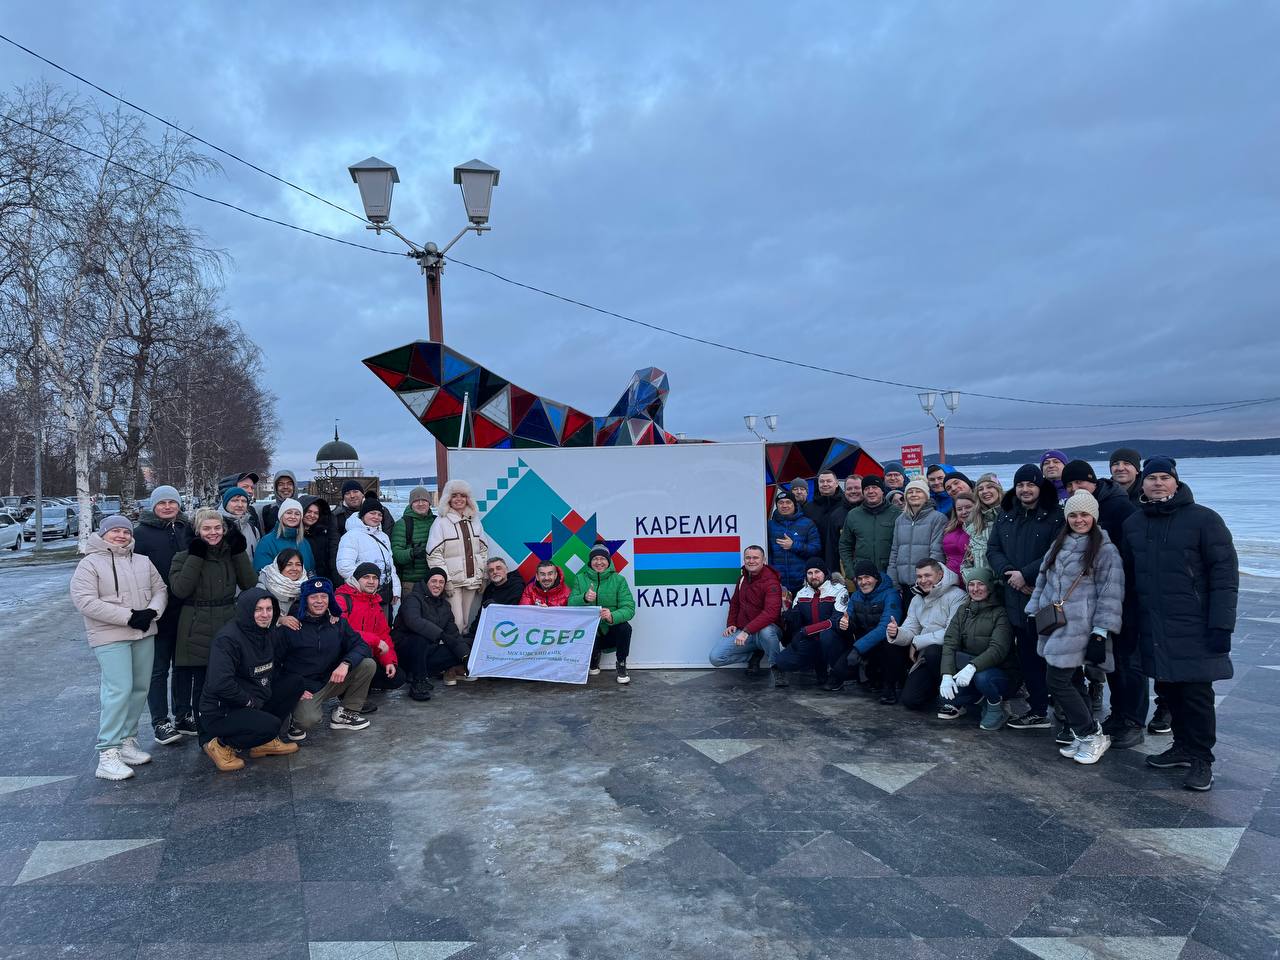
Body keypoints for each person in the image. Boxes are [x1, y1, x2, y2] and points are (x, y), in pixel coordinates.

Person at [1122, 457, 1238, 792]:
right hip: (1152, 623)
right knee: (1167, 689)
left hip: (1194, 624)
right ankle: (1182, 747)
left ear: (1175, 482)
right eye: (1152, 478)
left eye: (1164, 477)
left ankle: (1202, 759)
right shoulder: (1134, 523)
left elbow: (1225, 576)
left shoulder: (1204, 519)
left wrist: (1222, 626)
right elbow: (1129, 578)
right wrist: (1129, 623)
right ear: (1142, 484)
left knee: (1196, 694)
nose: (1158, 483)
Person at [1025, 491, 1125, 765]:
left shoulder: (1105, 550)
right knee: (1071, 680)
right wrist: (1033, 611)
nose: (1079, 520)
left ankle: (1089, 733)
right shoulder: (1059, 543)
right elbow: (1043, 580)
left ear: (1094, 516)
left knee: (1056, 681)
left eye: (1084, 515)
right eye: (1073, 515)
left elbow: (1110, 594)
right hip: (1055, 624)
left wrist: (1100, 632)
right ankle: (1085, 733)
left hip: (1082, 627)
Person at [71, 516, 168, 781]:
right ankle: (108, 751)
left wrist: (152, 612)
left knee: (139, 688)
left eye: (126, 531)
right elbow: (85, 601)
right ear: (103, 534)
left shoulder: (143, 561)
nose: (121, 536)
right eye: (115, 531)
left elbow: (160, 589)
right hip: (110, 635)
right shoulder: (90, 563)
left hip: (143, 632)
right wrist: (128, 617)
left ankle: (127, 740)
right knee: (119, 690)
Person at [1061, 459, 1139, 729]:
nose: (1075, 488)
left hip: (1118, 594)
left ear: (1093, 481)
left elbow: (1128, 554)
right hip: (1087, 601)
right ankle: (1116, 716)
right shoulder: (1075, 510)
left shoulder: (1118, 506)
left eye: (1080, 481)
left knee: (1125, 663)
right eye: (1069, 484)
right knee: (1108, 662)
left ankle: (1130, 720)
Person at [986, 464, 1064, 730]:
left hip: (1045, 597)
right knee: (1029, 657)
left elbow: (1056, 552)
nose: (1025, 490)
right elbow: (993, 549)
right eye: (1020, 485)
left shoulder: (1055, 516)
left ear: (1040, 487)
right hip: (1016, 597)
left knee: (1054, 656)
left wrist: (1027, 575)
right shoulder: (1006, 515)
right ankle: (1038, 709)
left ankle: (1067, 710)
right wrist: (1010, 574)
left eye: (1031, 484)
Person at [168, 508, 256, 738]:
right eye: (206, 528)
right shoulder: (183, 556)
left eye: (218, 528)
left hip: (228, 619)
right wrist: (196, 556)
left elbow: (249, 583)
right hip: (197, 623)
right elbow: (180, 589)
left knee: (230, 678)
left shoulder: (229, 555)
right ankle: (206, 734)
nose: (213, 532)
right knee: (203, 683)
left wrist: (239, 551)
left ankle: (229, 728)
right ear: (197, 531)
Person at [198, 587, 301, 772]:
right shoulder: (228, 639)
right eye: (258, 609)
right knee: (271, 725)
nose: (265, 615)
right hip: (223, 710)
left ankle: (263, 742)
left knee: (295, 682)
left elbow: (274, 667)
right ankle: (220, 745)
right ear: (246, 610)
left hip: (254, 697)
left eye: (269, 609)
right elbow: (219, 683)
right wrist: (248, 701)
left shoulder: (267, 632)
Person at [277, 577, 376, 736]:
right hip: (304, 687)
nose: (319, 601)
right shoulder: (290, 627)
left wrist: (346, 664)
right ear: (305, 600)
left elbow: (361, 645)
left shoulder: (337, 622)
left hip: (330, 680)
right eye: (313, 597)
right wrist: (291, 688)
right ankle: (293, 719)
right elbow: (274, 663)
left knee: (367, 664)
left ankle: (345, 714)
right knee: (307, 721)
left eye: (324, 596)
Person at [132, 485, 191, 746]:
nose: (167, 507)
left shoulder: (187, 529)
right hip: (157, 611)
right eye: (162, 503)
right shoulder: (141, 535)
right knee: (158, 669)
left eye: (172, 502)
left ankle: (183, 714)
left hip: (186, 609)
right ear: (153, 506)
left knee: (183, 666)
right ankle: (160, 721)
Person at [937, 568, 1020, 730]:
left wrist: (972, 666)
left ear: (989, 586)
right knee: (946, 698)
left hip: (999, 673)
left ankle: (996, 706)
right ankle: (980, 700)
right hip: (967, 670)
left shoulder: (1000, 613)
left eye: (981, 584)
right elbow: (950, 642)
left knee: (983, 678)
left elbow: (998, 649)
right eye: (971, 584)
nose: (975, 589)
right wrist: (947, 674)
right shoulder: (963, 610)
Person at [893, 560, 967, 713]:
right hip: (926, 657)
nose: (922, 580)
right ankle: (935, 688)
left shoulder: (958, 596)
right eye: (919, 576)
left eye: (927, 575)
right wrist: (896, 633)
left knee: (933, 651)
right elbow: (911, 628)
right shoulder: (917, 598)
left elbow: (952, 633)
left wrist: (917, 642)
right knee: (910, 700)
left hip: (952, 654)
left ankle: (957, 698)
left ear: (940, 574)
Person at [824, 560, 902, 700]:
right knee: (840, 670)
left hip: (885, 642)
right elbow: (849, 618)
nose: (863, 582)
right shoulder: (856, 596)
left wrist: (858, 649)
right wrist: (845, 624)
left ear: (876, 578)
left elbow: (884, 627)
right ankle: (863, 675)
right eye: (859, 579)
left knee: (890, 645)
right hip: (865, 642)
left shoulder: (891, 595)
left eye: (867, 577)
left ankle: (889, 687)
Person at [709, 546, 784, 684]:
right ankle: (752, 657)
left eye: (755, 557)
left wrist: (746, 631)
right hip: (745, 632)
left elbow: (771, 613)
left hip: (765, 632)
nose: (751, 561)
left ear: (764, 560)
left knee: (766, 631)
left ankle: (777, 668)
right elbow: (735, 603)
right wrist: (731, 623)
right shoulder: (742, 579)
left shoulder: (771, 582)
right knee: (716, 658)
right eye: (748, 557)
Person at [394, 568, 468, 700]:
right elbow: (413, 621)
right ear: (426, 582)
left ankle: (419, 673)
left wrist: (466, 656)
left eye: (441, 582)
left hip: (427, 653)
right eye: (434, 581)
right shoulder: (413, 598)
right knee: (420, 638)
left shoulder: (445, 606)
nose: (437, 585)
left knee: (460, 649)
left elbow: (453, 635)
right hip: (405, 652)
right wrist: (440, 634)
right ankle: (418, 682)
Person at [426, 480, 490, 632]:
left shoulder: (474, 520)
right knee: (457, 622)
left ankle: (463, 647)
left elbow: (483, 549)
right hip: (452, 583)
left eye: (463, 495)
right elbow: (433, 554)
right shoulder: (440, 522)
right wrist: (445, 580)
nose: (459, 499)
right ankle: (453, 647)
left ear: (468, 499)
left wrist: (482, 576)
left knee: (468, 620)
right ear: (448, 498)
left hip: (472, 580)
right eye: (454, 495)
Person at [569, 544, 636, 684]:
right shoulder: (580, 578)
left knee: (625, 628)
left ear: (608, 561)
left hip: (609, 629)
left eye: (602, 558)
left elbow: (629, 607)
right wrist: (584, 598)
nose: (599, 562)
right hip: (590, 631)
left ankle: (621, 663)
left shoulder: (619, 580)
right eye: (595, 559)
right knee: (582, 630)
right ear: (590, 561)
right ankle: (593, 657)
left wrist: (612, 616)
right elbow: (570, 603)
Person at [337, 563, 403, 702]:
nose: (371, 581)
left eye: (375, 578)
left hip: (366, 655)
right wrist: (374, 640)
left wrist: (388, 661)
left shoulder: (374, 602)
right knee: (365, 662)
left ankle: (362, 686)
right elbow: (341, 631)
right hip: (345, 656)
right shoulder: (342, 599)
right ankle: (349, 693)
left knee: (397, 677)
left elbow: (383, 634)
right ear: (356, 579)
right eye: (366, 577)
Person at [775, 559, 846, 686]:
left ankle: (835, 673)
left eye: (817, 572)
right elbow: (796, 622)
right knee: (782, 661)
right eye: (810, 573)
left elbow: (836, 621)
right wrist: (788, 616)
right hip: (811, 640)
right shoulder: (802, 593)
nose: (813, 576)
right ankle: (816, 664)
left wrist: (805, 631)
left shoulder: (839, 590)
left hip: (834, 639)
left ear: (825, 573)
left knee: (826, 636)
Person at [886, 479, 947, 614]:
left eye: (918, 491)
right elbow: (894, 551)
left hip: (925, 584)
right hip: (904, 586)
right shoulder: (900, 520)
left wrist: (930, 580)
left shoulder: (938, 518)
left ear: (926, 495)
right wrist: (893, 582)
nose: (914, 494)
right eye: (910, 492)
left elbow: (936, 552)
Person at [336, 500, 401, 618]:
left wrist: (395, 589)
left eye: (379, 514)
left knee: (383, 625)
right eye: (372, 513)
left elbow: (390, 565)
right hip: (361, 595)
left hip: (384, 593)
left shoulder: (383, 536)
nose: (376, 517)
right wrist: (366, 585)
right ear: (363, 514)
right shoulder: (351, 536)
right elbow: (344, 567)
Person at [839, 475, 898, 580]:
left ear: (882, 491)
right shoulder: (853, 515)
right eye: (866, 488)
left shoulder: (896, 513)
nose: (870, 491)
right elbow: (845, 545)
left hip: (889, 574)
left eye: (875, 487)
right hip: (862, 576)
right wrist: (851, 573)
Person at [328, 480, 393, 576]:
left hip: (381, 571)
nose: (352, 496)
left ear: (362, 494)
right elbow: (334, 549)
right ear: (343, 497)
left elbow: (389, 539)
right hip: (352, 572)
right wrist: (337, 577)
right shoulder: (337, 516)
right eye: (347, 493)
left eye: (355, 491)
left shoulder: (380, 512)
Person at [768, 490, 821, 594]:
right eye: (781, 502)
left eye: (788, 502)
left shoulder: (807, 524)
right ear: (776, 505)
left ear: (794, 504)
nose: (784, 505)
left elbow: (816, 549)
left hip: (802, 582)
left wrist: (793, 545)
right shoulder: (769, 526)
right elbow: (766, 553)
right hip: (777, 583)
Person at [391, 486, 436, 597]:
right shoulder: (403, 524)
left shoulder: (436, 521)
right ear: (411, 504)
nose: (420, 504)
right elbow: (395, 553)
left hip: (435, 580)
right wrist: (411, 553)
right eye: (416, 501)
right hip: (411, 583)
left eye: (424, 500)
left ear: (429, 503)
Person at [804, 470, 850, 575]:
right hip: (817, 561)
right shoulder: (808, 508)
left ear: (836, 483)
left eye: (829, 481)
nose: (825, 484)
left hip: (842, 559)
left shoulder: (846, 505)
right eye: (822, 481)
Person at [253, 498, 315, 574]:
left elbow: (311, 571)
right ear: (281, 516)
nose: (293, 516)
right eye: (289, 513)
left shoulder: (304, 542)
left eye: (297, 514)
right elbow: (262, 572)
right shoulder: (267, 542)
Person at [962, 474, 1004, 571]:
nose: (985, 491)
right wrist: (970, 575)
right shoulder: (973, 521)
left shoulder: (1012, 515)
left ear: (998, 489)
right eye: (980, 489)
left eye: (990, 487)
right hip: (980, 578)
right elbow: (967, 561)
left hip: (1006, 575)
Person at [257, 548, 307, 619]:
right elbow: (258, 617)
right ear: (279, 567)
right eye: (289, 564)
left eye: (298, 564)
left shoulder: (307, 587)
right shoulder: (263, 588)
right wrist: (279, 620)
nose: (294, 568)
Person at [219, 487, 260, 562]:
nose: (240, 505)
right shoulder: (215, 528)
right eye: (235, 500)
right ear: (225, 503)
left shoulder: (253, 530)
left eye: (244, 501)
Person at [300, 495, 335, 582]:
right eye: (309, 511)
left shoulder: (322, 534)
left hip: (322, 580)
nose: (312, 515)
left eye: (316, 513)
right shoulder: (296, 535)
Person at [942, 493, 975, 575]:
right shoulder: (950, 528)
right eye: (959, 509)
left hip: (971, 577)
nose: (964, 512)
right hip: (951, 576)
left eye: (968, 507)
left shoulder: (982, 529)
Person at [233, 472, 263, 538]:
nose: (250, 491)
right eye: (245, 487)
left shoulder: (252, 511)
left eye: (252, 488)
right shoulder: (217, 515)